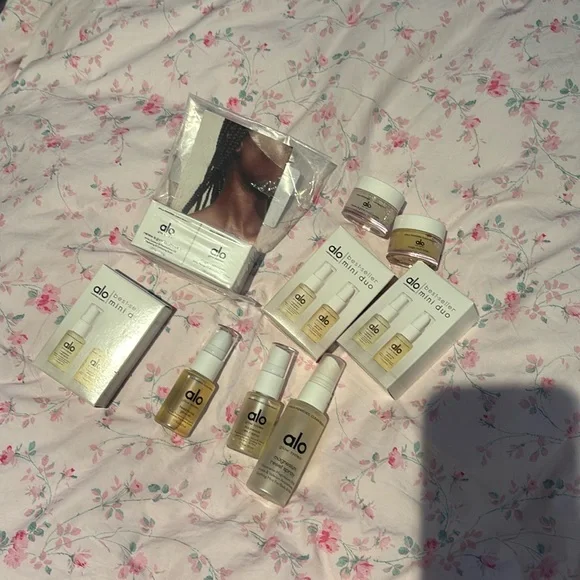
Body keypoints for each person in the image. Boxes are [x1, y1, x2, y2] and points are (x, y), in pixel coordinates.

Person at [183, 119, 291, 243]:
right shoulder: (184, 231)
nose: (290, 157)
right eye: (284, 143)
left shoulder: (284, 245)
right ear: (239, 142)